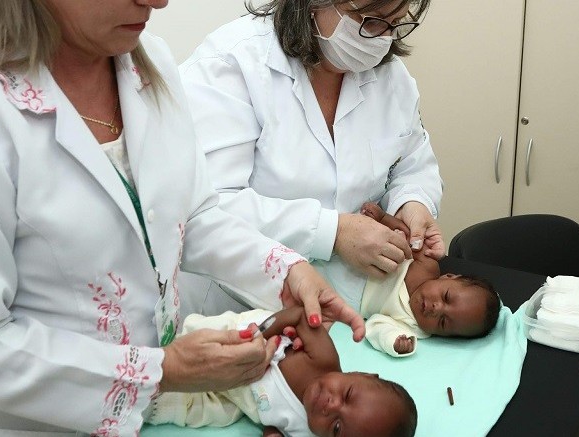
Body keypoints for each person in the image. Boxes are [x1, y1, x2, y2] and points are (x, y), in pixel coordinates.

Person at [0, 1, 366, 435]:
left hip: (152, 415)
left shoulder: (148, 67)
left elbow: (187, 218)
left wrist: (285, 270)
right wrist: (160, 370)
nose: (159, 1)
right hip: (25, 424)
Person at [177, 0, 443, 314]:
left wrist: (412, 203)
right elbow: (207, 207)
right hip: (237, 307)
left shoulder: (391, 77)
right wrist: (334, 232)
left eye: (395, 23)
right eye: (369, 21)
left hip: (348, 312)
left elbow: (412, 160)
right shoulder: (231, 64)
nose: (383, 39)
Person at [146, 307, 417, 437]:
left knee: (214, 414)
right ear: (365, 374)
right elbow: (299, 316)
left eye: (336, 428)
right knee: (208, 338)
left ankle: (147, 403)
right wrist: (261, 335)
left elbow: (275, 428)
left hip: (239, 398)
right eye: (347, 395)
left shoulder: (309, 433)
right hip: (248, 341)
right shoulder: (323, 359)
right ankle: (162, 349)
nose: (330, 405)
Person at [360, 202, 501, 356]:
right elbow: (407, 235)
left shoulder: (415, 327)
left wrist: (393, 340)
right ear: (448, 277)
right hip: (359, 253)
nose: (436, 308)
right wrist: (383, 218)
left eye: (443, 322)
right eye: (446, 297)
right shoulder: (426, 266)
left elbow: (376, 325)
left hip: (342, 294)